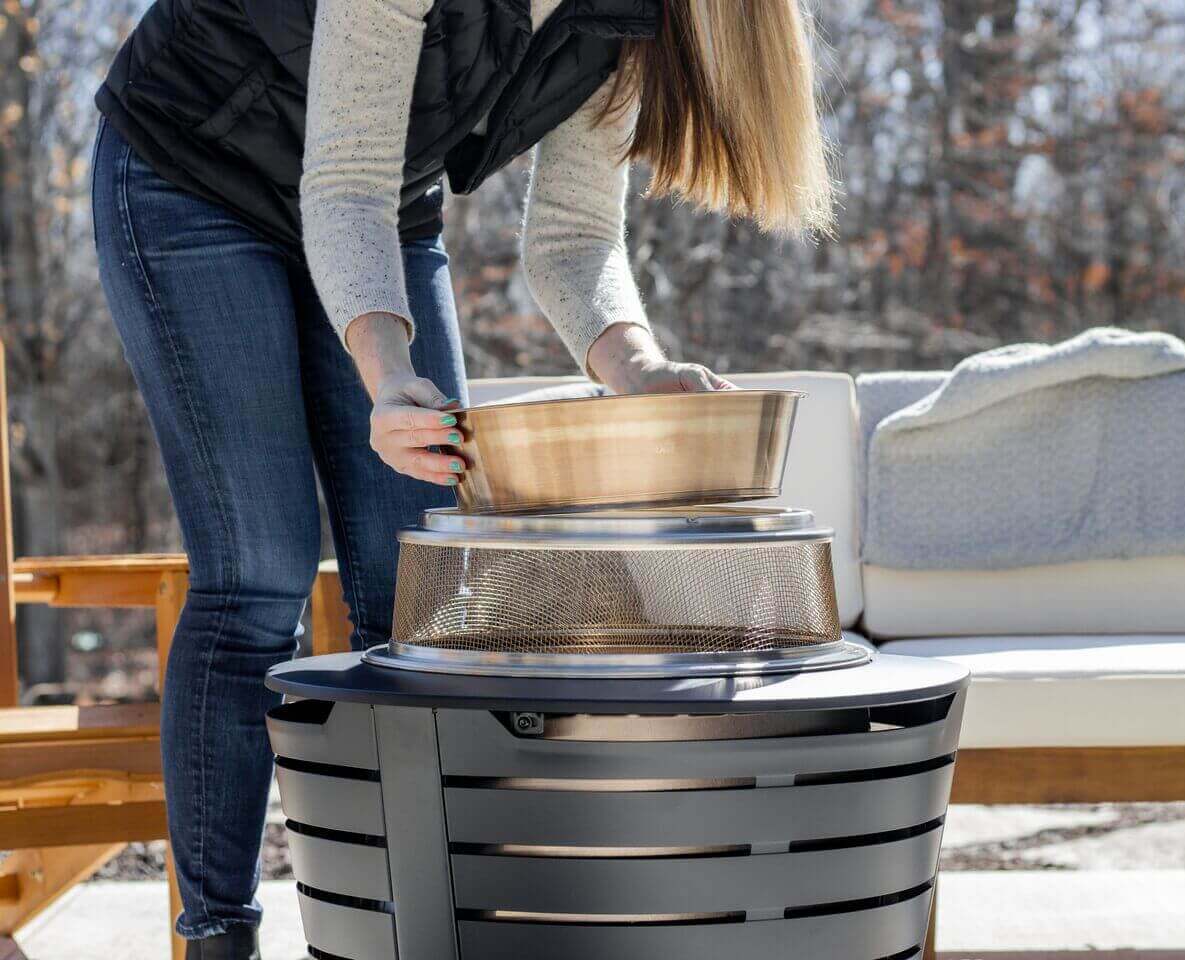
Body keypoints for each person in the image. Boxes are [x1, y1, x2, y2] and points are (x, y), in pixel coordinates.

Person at [91, 0, 833, 956]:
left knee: (422, 596)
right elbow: (343, 184)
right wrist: (391, 377)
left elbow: (573, 237)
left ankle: (407, 930)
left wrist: (640, 370)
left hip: (376, 203)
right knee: (257, 577)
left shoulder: (623, 17)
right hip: (189, 171)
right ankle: (219, 936)